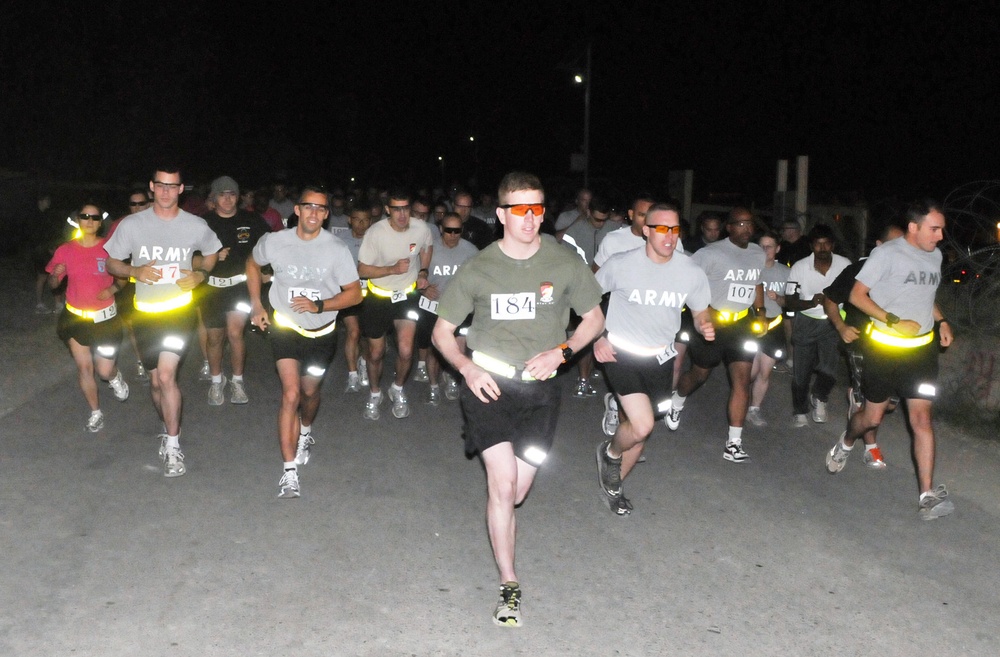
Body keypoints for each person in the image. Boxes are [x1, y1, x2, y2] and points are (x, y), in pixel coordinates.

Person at [432, 171, 604, 627]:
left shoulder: (564, 261)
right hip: (488, 385)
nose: (531, 219)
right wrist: (467, 368)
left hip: (541, 391)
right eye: (521, 210)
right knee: (502, 485)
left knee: (519, 491)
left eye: (538, 209)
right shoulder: (479, 267)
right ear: (503, 215)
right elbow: (442, 333)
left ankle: (503, 530)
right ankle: (510, 585)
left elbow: (594, 318)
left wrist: (563, 351)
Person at [825, 200, 955, 520]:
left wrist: (942, 321)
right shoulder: (886, 255)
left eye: (942, 229)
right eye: (934, 229)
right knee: (871, 419)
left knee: (921, 420)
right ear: (914, 227)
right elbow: (857, 296)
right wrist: (894, 321)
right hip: (884, 348)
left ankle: (926, 495)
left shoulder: (934, 256)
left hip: (921, 352)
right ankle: (847, 440)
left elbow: (926, 296)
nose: (940, 236)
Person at [593, 203, 712, 515]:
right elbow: (587, 301)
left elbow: (700, 310)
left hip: (660, 358)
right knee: (642, 425)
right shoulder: (621, 264)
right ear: (646, 230)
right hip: (620, 353)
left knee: (642, 434)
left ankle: (613, 486)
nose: (669, 236)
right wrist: (597, 337)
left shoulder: (690, 271)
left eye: (674, 229)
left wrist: (704, 324)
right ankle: (610, 452)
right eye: (661, 228)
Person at [104, 166, 223, 478]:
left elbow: (211, 254)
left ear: (181, 189)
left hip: (179, 311)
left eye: (173, 186)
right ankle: (166, 426)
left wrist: (200, 275)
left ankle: (173, 444)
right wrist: (135, 272)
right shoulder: (131, 225)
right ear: (152, 187)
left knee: (167, 377)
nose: (167, 191)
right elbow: (111, 261)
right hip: (144, 313)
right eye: (161, 185)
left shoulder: (195, 225)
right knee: (156, 382)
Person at [247, 186, 363, 498]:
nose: (313, 213)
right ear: (296, 210)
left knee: (309, 393)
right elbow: (252, 264)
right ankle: (289, 473)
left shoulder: (336, 249)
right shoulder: (275, 241)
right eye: (308, 206)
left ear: (326, 215)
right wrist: (257, 305)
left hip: (322, 332)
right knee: (291, 393)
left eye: (320, 208)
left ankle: (306, 431)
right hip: (285, 326)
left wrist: (321, 305)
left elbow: (355, 293)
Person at [666, 207, 765, 463]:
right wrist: (703, 313)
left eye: (749, 224)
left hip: (741, 324)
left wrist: (761, 312)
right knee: (700, 374)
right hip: (711, 324)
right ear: (728, 228)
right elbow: (686, 281)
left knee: (742, 381)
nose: (746, 228)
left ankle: (734, 442)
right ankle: (678, 399)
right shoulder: (709, 253)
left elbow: (757, 283)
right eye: (740, 224)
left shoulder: (757, 253)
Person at [822, 221, 906, 467]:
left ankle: (856, 405)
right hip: (862, 345)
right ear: (879, 246)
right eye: (892, 245)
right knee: (870, 407)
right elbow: (829, 300)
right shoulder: (858, 270)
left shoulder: (906, 274)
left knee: (889, 405)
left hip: (897, 348)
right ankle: (866, 446)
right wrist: (841, 327)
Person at [46, 202, 130, 432]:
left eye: (94, 217)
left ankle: (114, 377)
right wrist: (55, 276)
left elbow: (124, 278)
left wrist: (111, 290)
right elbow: (53, 283)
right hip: (75, 318)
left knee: (103, 371)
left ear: (100, 222)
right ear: (78, 220)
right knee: (84, 368)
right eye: (85, 216)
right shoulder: (65, 249)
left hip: (105, 320)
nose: (90, 221)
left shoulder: (110, 248)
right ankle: (95, 412)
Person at [357, 188, 433, 420]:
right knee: (377, 352)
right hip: (378, 296)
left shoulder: (421, 228)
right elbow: (362, 269)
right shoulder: (375, 233)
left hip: (406, 295)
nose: (402, 214)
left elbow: (427, 247)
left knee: (406, 349)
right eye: (396, 209)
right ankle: (374, 392)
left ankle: (397, 389)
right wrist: (391, 269)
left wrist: (422, 270)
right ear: (388, 209)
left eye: (406, 209)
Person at [199, 176, 271, 405]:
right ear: (214, 198)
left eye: (231, 194)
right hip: (212, 289)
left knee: (235, 332)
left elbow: (270, 244)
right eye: (222, 194)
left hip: (240, 286)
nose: (227, 199)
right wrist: (209, 257)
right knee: (214, 337)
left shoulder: (251, 219)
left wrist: (270, 272)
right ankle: (216, 381)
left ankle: (237, 382)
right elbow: (187, 255)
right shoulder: (203, 223)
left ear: (238, 197)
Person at [784, 225, 851, 427]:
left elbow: (854, 293)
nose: (822, 247)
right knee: (801, 370)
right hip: (806, 320)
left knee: (829, 369)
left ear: (832, 245)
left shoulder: (845, 264)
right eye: (818, 243)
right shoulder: (799, 267)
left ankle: (820, 397)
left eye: (826, 243)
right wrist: (811, 302)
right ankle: (800, 410)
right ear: (811, 246)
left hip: (834, 321)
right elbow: (789, 300)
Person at [415, 212, 478, 404]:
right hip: (433, 308)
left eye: (457, 230)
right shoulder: (429, 249)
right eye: (448, 230)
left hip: (460, 309)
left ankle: (451, 378)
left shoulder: (471, 251)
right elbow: (412, 278)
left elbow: (480, 279)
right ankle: (433, 386)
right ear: (441, 229)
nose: (453, 234)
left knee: (458, 349)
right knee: (435, 350)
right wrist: (422, 291)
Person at [746, 232, 790, 427]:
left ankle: (754, 409)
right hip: (750, 324)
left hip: (774, 325)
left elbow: (791, 300)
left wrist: (778, 299)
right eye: (761, 246)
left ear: (777, 248)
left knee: (765, 371)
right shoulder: (748, 269)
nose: (765, 250)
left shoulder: (786, 272)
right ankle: (739, 398)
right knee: (750, 371)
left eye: (770, 246)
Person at [340, 206, 373, 393]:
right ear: (350, 220)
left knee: (368, 337)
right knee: (353, 332)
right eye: (357, 219)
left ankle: (363, 363)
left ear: (371, 221)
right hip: (348, 293)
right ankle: (352, 374)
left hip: (371, 293)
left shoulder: (376, 239)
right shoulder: (340, 241)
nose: (361, 224)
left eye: (365, 220)